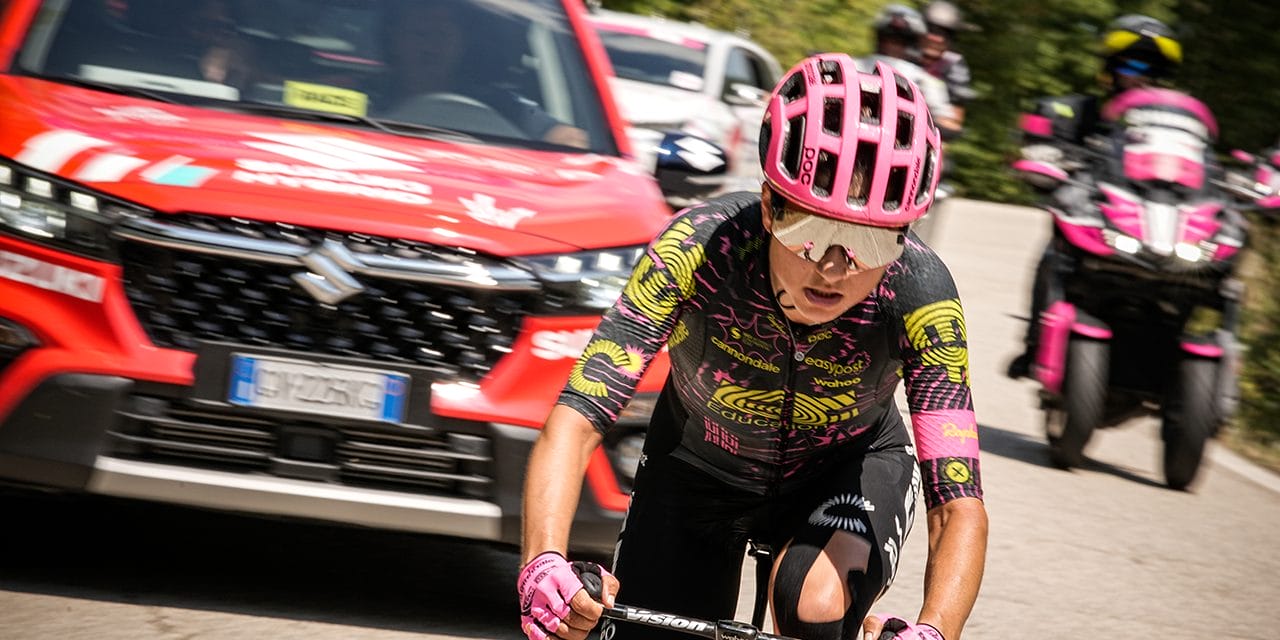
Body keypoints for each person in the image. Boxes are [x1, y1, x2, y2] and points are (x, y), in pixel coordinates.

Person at [518, 53, 987, 640]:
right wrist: (542, 562)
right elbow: (578, 418)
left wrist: (937, 630)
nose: (834, 268)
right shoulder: (698, 249)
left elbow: (958, 505)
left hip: (847, 469)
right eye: (812, 231)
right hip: (696, 465)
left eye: (869, 242)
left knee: (811, 604)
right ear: (770, 207)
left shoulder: (920, 293)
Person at [1006, 14, 1183, 379]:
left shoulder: (1177, 129)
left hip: (1157, 229)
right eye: (1131, 64)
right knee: (1055, 252)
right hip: (1098, 221)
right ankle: (1035, 343)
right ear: (1111, 67)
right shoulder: (1082, 113)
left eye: (1150, 68)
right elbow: (1042, 140)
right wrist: (1047, 153)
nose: (1140, 75)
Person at [377, 0, 588, 148]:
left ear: (459, 45)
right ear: (394, 41)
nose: (431, 47)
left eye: (442, 35)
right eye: (419, 34)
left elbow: (568, 138)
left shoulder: (500, 105)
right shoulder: (367, 95)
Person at [859, 4, 962, 136]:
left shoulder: (852, 65)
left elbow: (945, 118)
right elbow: (946, 120)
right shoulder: (924, 80)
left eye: (900, 42)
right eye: (890, 40)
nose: (893, 46)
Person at [919, 1, 978, 129]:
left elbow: (955, 119)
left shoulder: (954, 65)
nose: (937, 39)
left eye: (945, 34)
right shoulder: (902, 50)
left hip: (930, 128)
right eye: (932, 30)